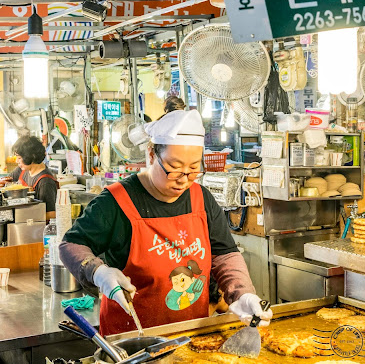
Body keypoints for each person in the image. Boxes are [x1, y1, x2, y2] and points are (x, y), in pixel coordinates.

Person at [60, 97, 272, 336]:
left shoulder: (201, 198)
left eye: (193, 169)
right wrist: (98, 272)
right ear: (151, 154)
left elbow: (224, 254)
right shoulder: (115, 202)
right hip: (133, 341)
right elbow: (71, 245)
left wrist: (242, 293)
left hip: (192, 336)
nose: (184, 178)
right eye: (174, 167)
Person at [11, 136, 58, 220]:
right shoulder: (22, 170)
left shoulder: (45, 182)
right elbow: (7, 183)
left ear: (31, 157)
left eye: (19, 158)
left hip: (36, 228)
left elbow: (52, 214)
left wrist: (23, 217)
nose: (16, 161)